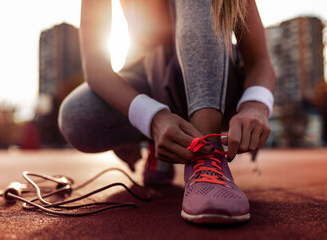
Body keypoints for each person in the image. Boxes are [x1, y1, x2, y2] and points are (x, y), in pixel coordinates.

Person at [59, 0, 276, 224]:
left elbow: (259, 60)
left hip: (222, 83)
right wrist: (152, 118)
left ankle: (206, 155)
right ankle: (162, 138)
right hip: (150, 75)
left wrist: (255, 105)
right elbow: (96, 66)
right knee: (77, 116)